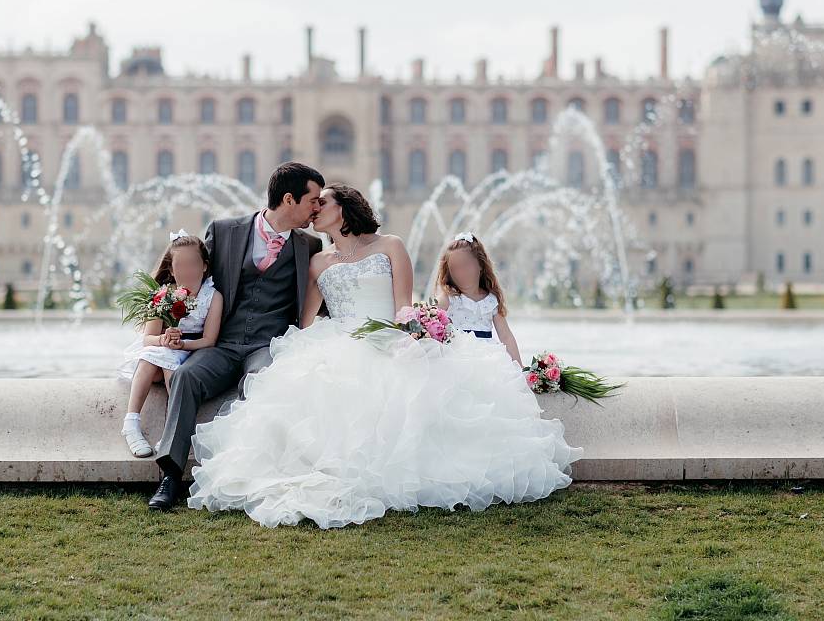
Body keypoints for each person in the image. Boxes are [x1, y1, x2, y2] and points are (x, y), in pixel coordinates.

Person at [186, 182, 583, 528]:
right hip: (338, 339)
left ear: (345, 207)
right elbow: (307, 322)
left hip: (388, 336)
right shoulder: (318, 262)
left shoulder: (390, 246)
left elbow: (402, 306)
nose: (315, 209)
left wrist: (411, 335)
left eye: (322, 202)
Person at [146, 161, 325, 511]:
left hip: (268, 345)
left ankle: (235, 474)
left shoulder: (310, 246)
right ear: (289, 199)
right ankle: (169, 475)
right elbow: (192, 280)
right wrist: (164, 314)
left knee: (260, 380)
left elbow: (323, 300)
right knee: (185, 377)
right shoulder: (224, 230)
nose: (316, 209)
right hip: (222, 344)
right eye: (313, 200)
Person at [116, 233, 222, 457]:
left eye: (193, 264)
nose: (187, 271)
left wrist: (182, 344)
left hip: (191, 350)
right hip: (159, 354)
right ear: (172, 270)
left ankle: (171, 431)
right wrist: (164, 340)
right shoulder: (164, 294)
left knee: (168, 361)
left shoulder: (213, 297)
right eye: (180, 266)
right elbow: (148, 338)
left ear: (204, 266)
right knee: (152, 356)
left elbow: (209, 340)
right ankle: (131, 422)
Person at [435, 232, 521, 365]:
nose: (461, 272)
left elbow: (506, 336)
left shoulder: (491, 300)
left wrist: (520, 367)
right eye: (455, 268)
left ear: (480, 265)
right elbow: (429, 320)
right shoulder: (449, 298)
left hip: (488, 359)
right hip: (458, 358)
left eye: (466, 265)